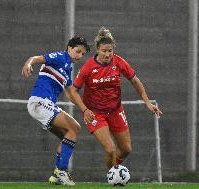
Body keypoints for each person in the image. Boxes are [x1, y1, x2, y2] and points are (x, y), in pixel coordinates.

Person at [73, 27, 163, 170]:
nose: (107, 54)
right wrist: (84, 110)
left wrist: (147, 102)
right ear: (97, 49)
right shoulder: (88, 68)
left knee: (126, 149)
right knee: (110, 149)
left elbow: (135, 81)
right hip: (95, 113)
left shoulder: (118, 62)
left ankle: (114, 170)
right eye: (104, 51)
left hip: (115, 110)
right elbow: (72, 91)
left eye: (110, 51)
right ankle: (112, 175)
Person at [21, 36, 94, 186]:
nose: (80, 56)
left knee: (68, 135)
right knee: (74, 128)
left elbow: (71, 93)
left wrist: (85, 110)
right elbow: (37, 58)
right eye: (78, 51)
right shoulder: (61, 57)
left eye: (82, 54)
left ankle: (57, 175)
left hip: (43, 105)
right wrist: (29, 63)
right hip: (40, 102)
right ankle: (61, 171)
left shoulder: (67, 68)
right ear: (69, 48)